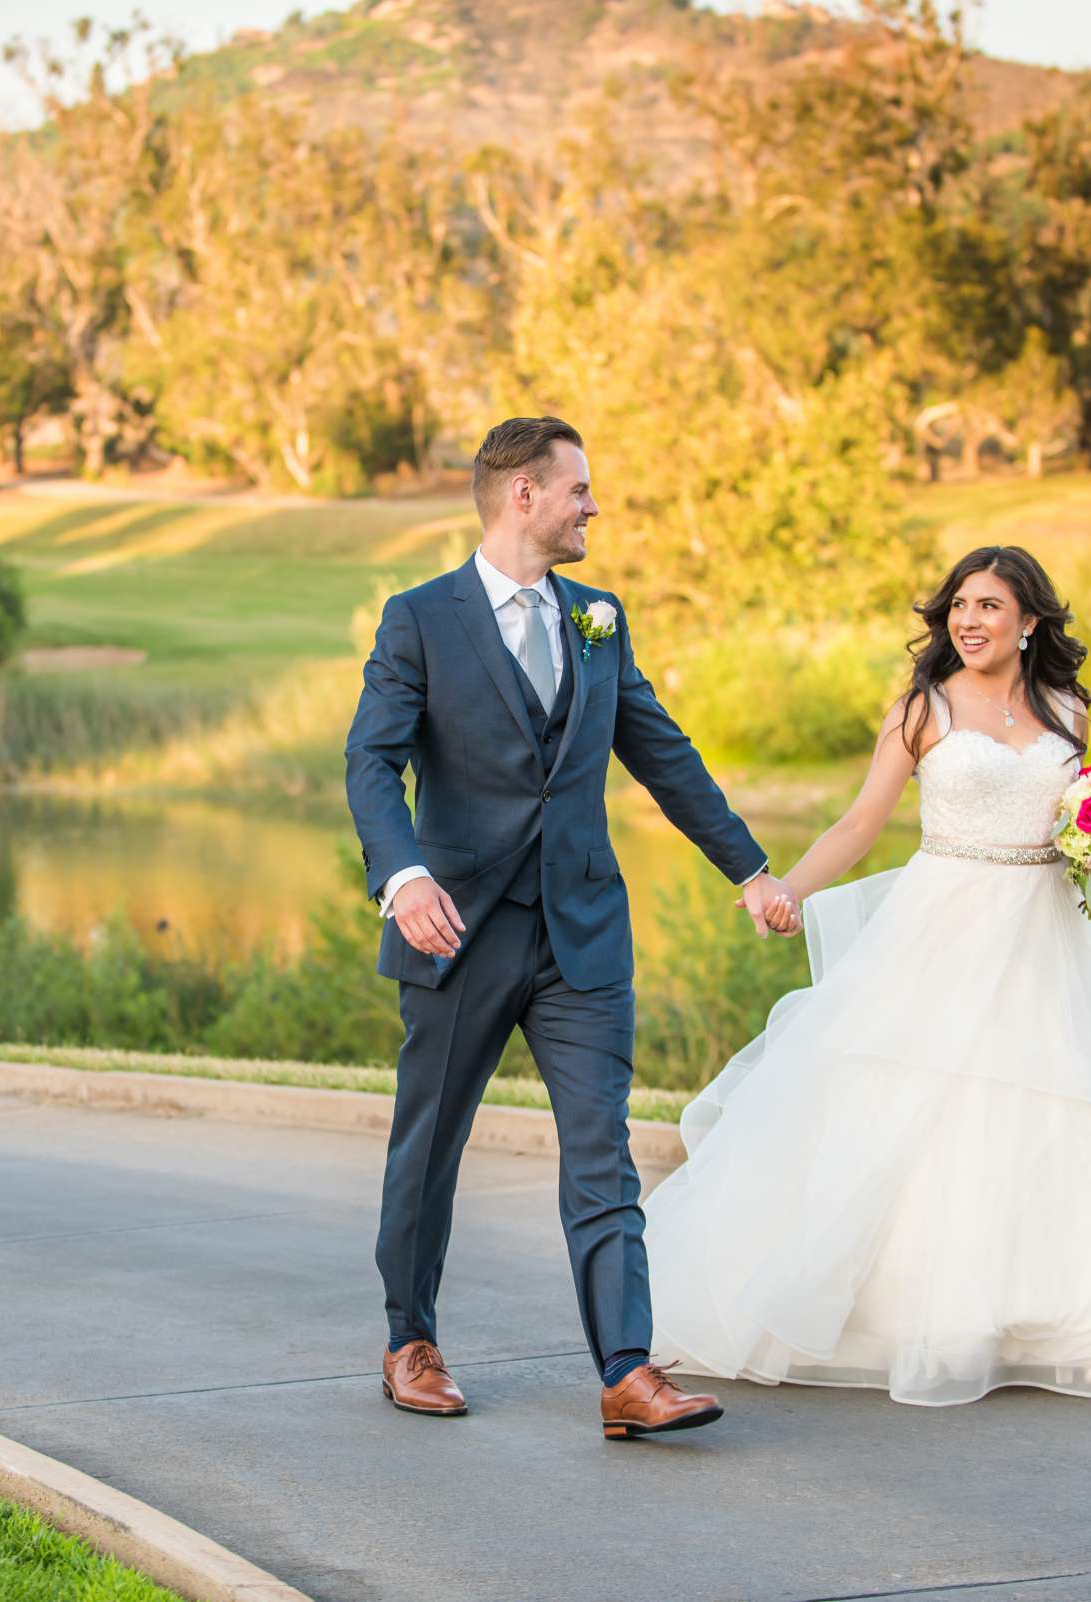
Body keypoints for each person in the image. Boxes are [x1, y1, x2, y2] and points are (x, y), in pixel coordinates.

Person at [644, 545, 1091, 1405]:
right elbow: (860, 821)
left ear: (1030, 622)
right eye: (959, 605)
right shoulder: (923, 709)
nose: (969, 621)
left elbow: (1067, 825)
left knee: (1056, 1110)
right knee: (917, 1110)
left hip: (1046, 936)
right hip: (943, 924)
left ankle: (1086, 1320)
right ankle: (914, 1317)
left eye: (990, 606)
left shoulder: (1068, 711)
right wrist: (788, 888)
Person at [344, 416, 793, 1440]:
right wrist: (403, 877)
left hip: (582, 931)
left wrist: (750, 867)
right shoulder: (418, 619)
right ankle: (409, 1339)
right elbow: (372, 762)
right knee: (431, 1145)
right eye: (580, 489)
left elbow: (662, 754)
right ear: (523, 497)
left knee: (602, 1151)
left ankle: (627, 1371)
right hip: (455, 930)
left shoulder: (599, 618)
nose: (595, 505)